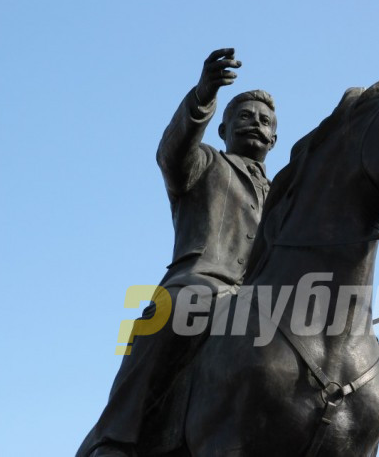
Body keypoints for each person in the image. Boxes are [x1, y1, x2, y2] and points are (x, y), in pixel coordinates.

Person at [77, 48, 277, 457]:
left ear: (275, 138)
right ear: (222, 129)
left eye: (265, 120)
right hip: (201, 282)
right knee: (170, 313)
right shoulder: (204, 163)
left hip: (263, 301)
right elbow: (172, 150)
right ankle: (114, 437)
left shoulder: (282, 196)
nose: (256, 123)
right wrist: (202, 96)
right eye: (245, 116)